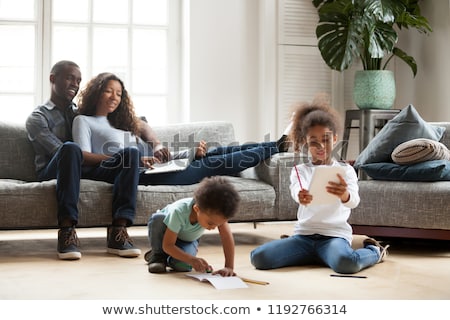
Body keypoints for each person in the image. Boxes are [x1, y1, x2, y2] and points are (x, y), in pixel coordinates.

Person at [72, 72, 290, 187]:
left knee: (215, 152)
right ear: (96, 92)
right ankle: (279, 146)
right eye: (109, 91)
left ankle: (278, 144)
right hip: (136, 175)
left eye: (119, 94)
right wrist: (126, 159)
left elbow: (143, 126)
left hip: (157, 166)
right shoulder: (84, 121)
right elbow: (82, 157)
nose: (114, 97)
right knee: (212, 163)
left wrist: (158, 146)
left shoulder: (122, 122)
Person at [249, 97, 389, 274]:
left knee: (347, 263)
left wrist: (344, 194)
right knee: (258, 258)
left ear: (335, 138)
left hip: (334, 237)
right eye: (314, 141)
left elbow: (354, 202)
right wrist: (301, 195)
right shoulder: (300, 170)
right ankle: (309, 253)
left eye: (326, 139)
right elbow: (295, 191)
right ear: (306, 142)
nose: (320, 146)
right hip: (303, 237)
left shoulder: (346, 171)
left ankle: (374, 251)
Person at [25, 60, 141, 260]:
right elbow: (60, 152)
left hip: (84, 168)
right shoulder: (37, 117)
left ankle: (118, 231)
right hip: (53, 170)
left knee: (131, 154)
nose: (75, 84)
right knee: (70, 149)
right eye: (70, 78)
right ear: (53, 79)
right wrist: (110, 157)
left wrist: (151, 141)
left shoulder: (79, 112)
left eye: (78, 80)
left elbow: (121, 122)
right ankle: (67, 231)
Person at [145, 176, 240, 274]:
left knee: (184, 266)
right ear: (197, 209)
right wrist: (191, 259)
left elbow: (226, 237)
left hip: (186, 241)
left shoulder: (216, 214)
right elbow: (168, 245)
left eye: (218, 224)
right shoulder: (179, 211)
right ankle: (158, 255)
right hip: (165, 238)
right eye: (211, 223)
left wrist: (229, 267)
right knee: (158, 218)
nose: (213, 228)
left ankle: (169, 258)